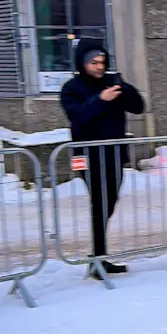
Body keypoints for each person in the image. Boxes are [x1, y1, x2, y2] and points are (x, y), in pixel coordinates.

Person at [60, 39, 145, 278]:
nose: (99, 67)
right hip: (86, 156)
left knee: (110, 200)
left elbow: (139, 107)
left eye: (102, 62)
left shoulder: (111, 82)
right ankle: (98, 259)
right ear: (83, 63)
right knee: (99, 202)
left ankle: (99, 257)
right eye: (94, 63)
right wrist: (100, 100)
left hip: (114, 153)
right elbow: (76, 117)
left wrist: (126, 88)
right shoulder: (71, 88)